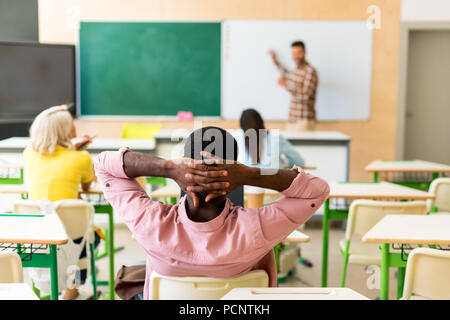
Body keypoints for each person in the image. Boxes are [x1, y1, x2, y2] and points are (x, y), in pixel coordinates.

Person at [94, 126, 329, 300]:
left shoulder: (149, 223)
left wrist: (168, 167)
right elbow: (318, 190)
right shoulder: (257, 228)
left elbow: (104, 165)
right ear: (233, 172)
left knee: (132, 276)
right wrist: (250, 174)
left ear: (183, 171)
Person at [24, 105, 100, 300]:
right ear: (67, 131)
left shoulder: (29, 154)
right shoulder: (80, 158)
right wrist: (77, 151)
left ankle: (45, 287)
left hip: (36, 232)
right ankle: (72, 289)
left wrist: (72, 149)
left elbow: (56, 157)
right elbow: (87, 185)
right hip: (70, 233)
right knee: (92, 237)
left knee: (65, 238)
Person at [269, 41, 318, 131]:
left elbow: (305, 95)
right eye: (293, 53)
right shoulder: (297, 71)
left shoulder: (310, 71)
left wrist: (286, 86)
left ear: (304, 53)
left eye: (298, 53)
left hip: (304, 122)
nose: (295, 56)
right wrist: (275, 61)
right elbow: (286, 73)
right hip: (292, 121)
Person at [237, 108, 305, 169]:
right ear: (261, 122)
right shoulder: (276, 137)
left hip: (247, 182)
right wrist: (284, 162)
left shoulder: (237, 138)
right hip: (274, 181)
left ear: (242, 126)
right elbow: (299, 162)